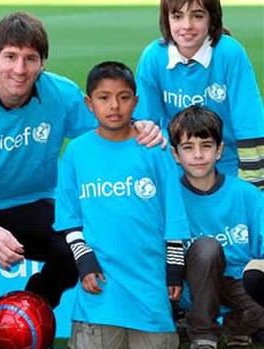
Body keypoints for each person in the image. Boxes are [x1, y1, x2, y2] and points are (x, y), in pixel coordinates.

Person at [0, 11, 163, 348]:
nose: (20, 69)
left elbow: (107, 128)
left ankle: (36, 301)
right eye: (10, 57)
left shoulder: (61, 94)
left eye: (31, 59)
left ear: (42, 63)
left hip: (37, 201)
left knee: (80, 246)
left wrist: (140, 126)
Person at [53, 61, 189, 349]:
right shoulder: (77, 152)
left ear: (135, 102)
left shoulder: (154, 148)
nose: (114, 105)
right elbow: (68, 216)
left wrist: (174, 266)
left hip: (149, 288)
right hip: (100, 288)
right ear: (89, 104)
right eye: (104, 97)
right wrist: (84, 260)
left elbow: (174, 212)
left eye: (123, 97)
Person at [134, 0, 264, 189]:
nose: (187, 26)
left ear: (212, 18)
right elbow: (147, 125)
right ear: (166, 19)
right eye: (177, 16)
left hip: (227, 165)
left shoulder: (230, 53)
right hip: (175, 167)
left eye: (197, 16)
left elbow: (248, 121)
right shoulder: (153, 56)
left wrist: (253, 186)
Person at [168, 106, 264, 349]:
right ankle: (203, 336)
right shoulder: (168, 199)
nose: (198, 155)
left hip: (237, 280)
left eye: (206, 145)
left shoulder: (248, 195)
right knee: (207, 248)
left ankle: (234, 327)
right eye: (188, 148)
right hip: (192, 286)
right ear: (176, 154)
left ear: (219, 150)